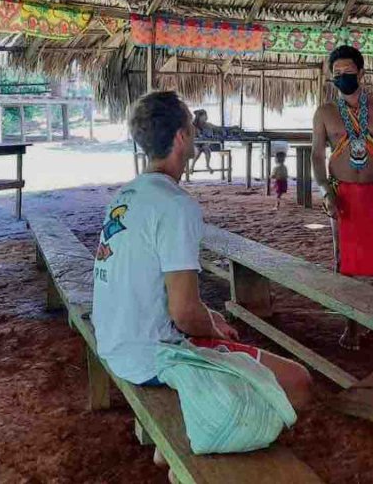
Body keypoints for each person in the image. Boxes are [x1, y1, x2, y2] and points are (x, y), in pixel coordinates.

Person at [93, 91, 311, 468]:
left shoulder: (124, 196)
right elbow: (183, 315)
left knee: (220, 338)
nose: (194, 136)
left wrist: (208, 317)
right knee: (298, 383)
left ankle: (186, 430)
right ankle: (198, 445)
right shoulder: (176, 206)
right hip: (153, 356)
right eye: (192, 129)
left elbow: (166, 293)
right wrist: (209, 324)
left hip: (114, 341)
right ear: (181, 138)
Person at [312, 45, 373, 350]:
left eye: (347, 72)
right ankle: (350, 326)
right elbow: (316, 155)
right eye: (336, 73)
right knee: (343, 262)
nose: (342, 77)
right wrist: (325, 189)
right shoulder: (324, 112)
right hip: (340, 193)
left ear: (361, 73)